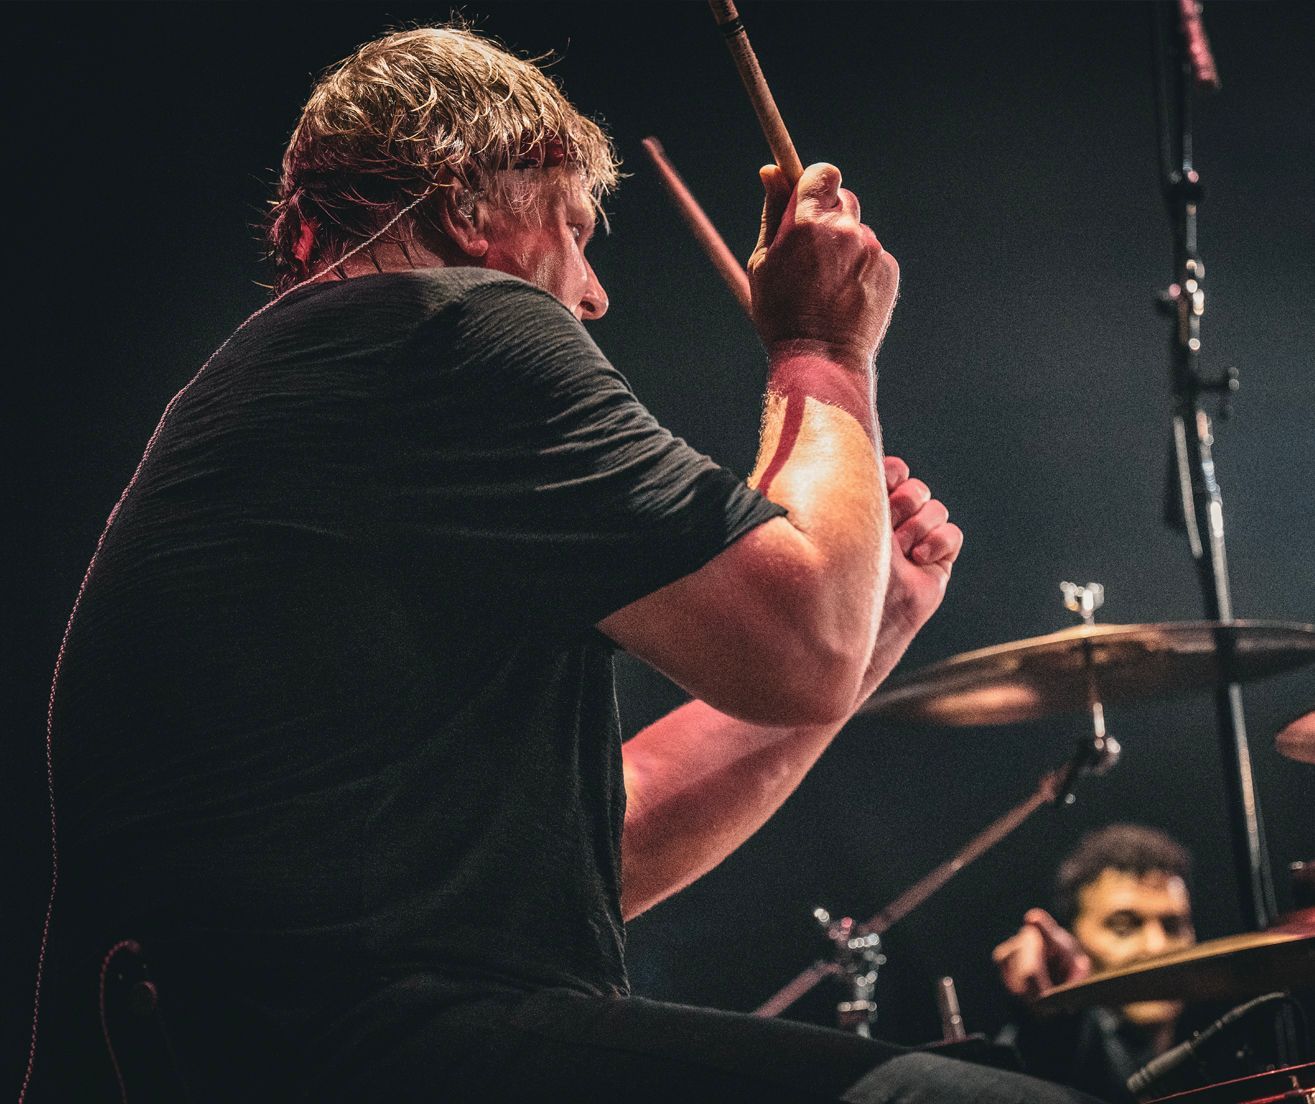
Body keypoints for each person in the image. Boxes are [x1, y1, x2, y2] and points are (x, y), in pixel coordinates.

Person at [28, 24, 1098, 1104]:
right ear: (467, 210)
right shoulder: (456, 327)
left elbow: (593, 855)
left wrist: (868, 638)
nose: (591, 294)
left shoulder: (308, 397)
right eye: (577, 229)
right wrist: (823, 350)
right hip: (372, 1045)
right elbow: (798, 645)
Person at [993, 824, 1197, 1102]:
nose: (1156, 947)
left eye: (1172, 926)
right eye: (1123, 926)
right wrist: (1052, 1014)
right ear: (1075, 938)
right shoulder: (1073, 1052)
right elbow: (1064, 1053)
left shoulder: (1221, 1052)